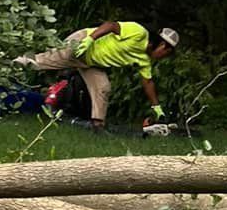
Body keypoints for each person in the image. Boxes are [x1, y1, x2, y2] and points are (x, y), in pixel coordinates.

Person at [16, 20, 179, 130]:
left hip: (91, 63)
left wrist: (157, 109)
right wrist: (89, 40)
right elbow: (111, 25)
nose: (163, 58)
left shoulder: (144, 60)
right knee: (40, 62)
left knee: (103, 87)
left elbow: (148, 82)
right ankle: (8, 65)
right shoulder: (139, 32)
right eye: (166, 54)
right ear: (163, 46)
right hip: (82, 44)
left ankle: (97, 127)